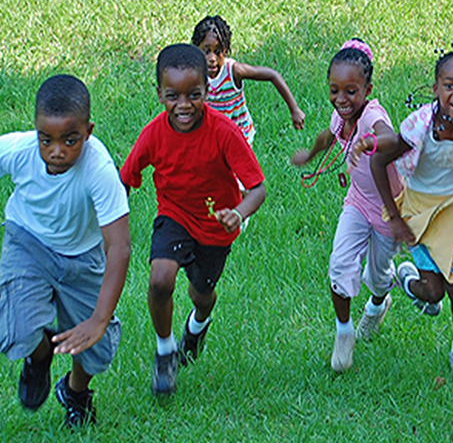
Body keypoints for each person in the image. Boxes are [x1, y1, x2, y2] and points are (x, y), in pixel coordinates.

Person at [120, 44, 266, 395]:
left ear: (207, 91)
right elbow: (125, 179)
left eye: (194, 94)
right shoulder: (153, 134)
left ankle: (197, 326)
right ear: (159, 94)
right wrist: (111, 229)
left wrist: (239, 212)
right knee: (160, 279)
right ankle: (166, 350)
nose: (183, 105)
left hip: (216, 227)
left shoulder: (224, 131)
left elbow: (258, 187)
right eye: (173, 96)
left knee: (203, 295)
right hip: (174, 216)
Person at [0, 75, 131, 427]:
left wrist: (99, 319)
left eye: (70, 140)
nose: (57, 150)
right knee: (17, 332)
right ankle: (39, 355)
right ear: (36, 131)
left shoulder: (100, 170)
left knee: (96, 348)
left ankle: (75, 391)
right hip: (28, 244)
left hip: (83, 258)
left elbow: (118, 247)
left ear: (88, 131)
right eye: (47, 140)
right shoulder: (19, 150)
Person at [369, 50, 453, 378]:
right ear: (435, 89)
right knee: (433, 293)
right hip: (424, 215)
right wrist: (397, 217)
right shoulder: (418, 127)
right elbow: (379, 162)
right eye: (449, 85)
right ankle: (406, 278)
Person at [291, 39, 403, 373]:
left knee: (378, 277)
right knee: (339, 265)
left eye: (351, 91)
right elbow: (329, 134)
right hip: (357, 202)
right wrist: (309, 155)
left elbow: (393, 139)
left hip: (388, 209)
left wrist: (369, 141)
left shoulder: (372, 116)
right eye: (335, 90)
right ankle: (344, 331)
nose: (342, 99)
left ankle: (378, 303)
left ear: (368, 89)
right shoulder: (342, 113)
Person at [191, 15, 305, 146]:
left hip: (239, 138)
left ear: (225, 51)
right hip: (213, 137)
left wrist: (294, 109)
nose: (212, 58)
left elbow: (272, 75)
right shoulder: (195, 73)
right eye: (206, 51)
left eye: (218, 52)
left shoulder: (234, 71)